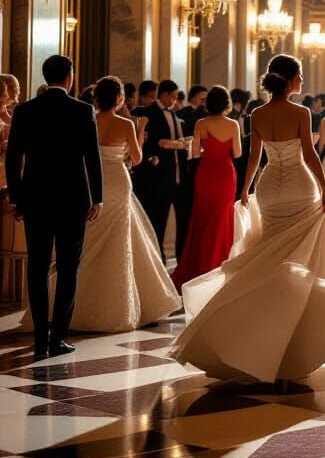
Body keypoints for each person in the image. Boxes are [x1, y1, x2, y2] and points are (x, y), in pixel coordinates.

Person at [170, 54, 325, 382]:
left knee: (269, 255)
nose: (302, 81)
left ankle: (261, 331)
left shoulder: (257, 113)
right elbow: (308, 153)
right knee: (303, 258)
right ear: (289, 80)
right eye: (300, 76)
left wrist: (247, 189)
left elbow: (254, 157)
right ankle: (297, 333)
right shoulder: (301, 112)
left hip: (269, 188)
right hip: (300, 185)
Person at [23, 76, 178, 333]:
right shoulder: (124, 123)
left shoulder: (87, 117)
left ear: (96, 97)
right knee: (120, 242)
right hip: (118, 180)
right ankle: (117, 305)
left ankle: (72, 305)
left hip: (91, 183)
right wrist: (140, 132)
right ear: (119, 99)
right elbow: (137, 158)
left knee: (88, 241)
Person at [5, 55, 103, 358]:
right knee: (68, 267)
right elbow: (92, 157)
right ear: (70, 76)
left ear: (46, 77)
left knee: (37, 265)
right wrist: (97, 196)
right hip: (73, 198)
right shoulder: (83, 110)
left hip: (35, 197)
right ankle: (57, 336)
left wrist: (16, 197)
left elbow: (13, 158)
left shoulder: (25, 110)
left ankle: (38, 338)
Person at [172, 86, 242, 290]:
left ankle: (201, 265)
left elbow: (194, 152)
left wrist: (207, 148)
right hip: (225, 174)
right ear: (226, 104)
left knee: (203, 217)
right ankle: (219, 262)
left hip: (206, 173)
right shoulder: (234, 124)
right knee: (222, 217)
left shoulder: (201, 123)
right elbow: (237, 153)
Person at [135, 79, 190, 261]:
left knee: (184, 220)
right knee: (158, 220)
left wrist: (187, 142)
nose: (176, 101)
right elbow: (149, 142)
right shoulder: (149, 112)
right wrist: (170, 145)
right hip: (160, 176)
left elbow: (177, 138)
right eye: (173, 97)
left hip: (179, 174)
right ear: (164, 95)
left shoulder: (174, 115)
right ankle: (157, 258)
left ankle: (181, 258)